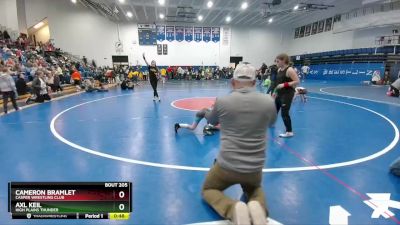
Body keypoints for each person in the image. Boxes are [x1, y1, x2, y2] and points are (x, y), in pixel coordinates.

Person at [201, 63, 277, 225]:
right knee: (254, 189)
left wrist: (208, 111)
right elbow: (272, 122)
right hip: (254, 168)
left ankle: (233, 208)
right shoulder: (268, 102)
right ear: (255, 83)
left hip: (227, 166)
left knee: (208, 189)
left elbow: (211, 120)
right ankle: (259, 209)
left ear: (233, 82)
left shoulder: (222, 101)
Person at [274, 53, 300, 138]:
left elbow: (297, 81)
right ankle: (271, 123)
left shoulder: (289, 70)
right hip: (279, 93)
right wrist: (275, 92)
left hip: (287, 94)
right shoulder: (279, 70)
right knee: (274, 109)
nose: (276, 63)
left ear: (283, 61)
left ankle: (289, 132)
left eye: (278, 61)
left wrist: (284, 85)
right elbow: (278, 83)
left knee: (284, 113)